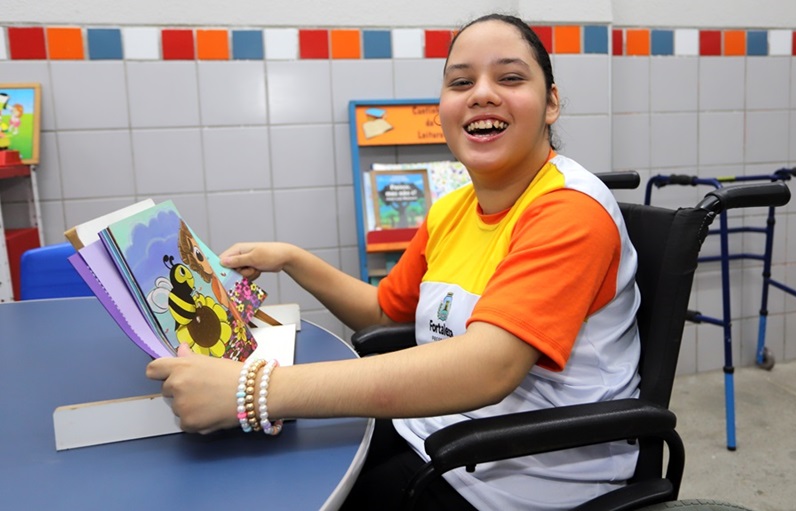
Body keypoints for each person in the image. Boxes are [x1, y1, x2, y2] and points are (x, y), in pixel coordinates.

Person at [146, 13, 641, 510]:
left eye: (510, 78)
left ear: (551, 102)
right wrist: (292, 259)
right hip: (440, 432)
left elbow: (489, 368)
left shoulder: (569, 210)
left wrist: (255, 389)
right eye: (461, 82)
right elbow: (384, 312)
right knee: (271, 464)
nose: (482, 95)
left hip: (527, 475)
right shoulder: (452, 209)